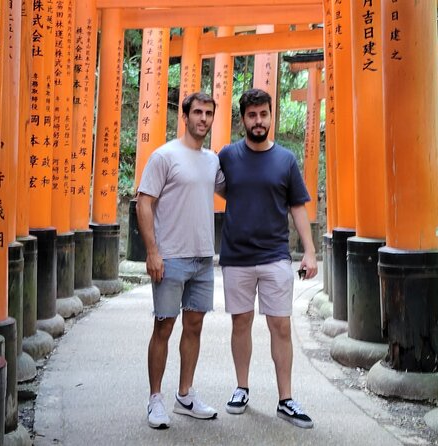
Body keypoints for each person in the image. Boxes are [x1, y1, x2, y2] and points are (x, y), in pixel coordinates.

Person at [217, 88, 319, 429]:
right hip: (237, 256)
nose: (258, 121)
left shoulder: (286, 160)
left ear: (271, 116)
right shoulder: (228, 157)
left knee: (281, 325)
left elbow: (297, 207)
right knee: (241, 322)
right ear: (243, 119)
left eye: (263, 114)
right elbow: (219, 187)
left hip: (275, 255)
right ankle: (241, 388)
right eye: (252, 115)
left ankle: (285, 399)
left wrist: (309, 250)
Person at [136, 92, 223, 429]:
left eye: (209, 113)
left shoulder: (213, 160)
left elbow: (235, 190)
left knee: (195, 326)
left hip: (203, 257)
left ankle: (185, 394)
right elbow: (144, 202)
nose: (203, 118)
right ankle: (155, 398)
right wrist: (153, 251)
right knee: (164, 326)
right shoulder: (164, 156)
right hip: (170, 256)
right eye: (198, 112)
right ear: (185, 116)